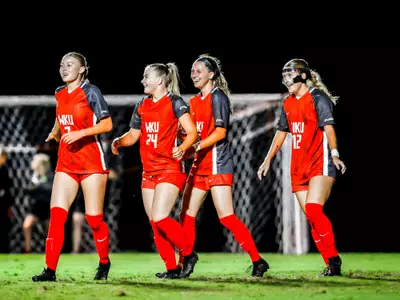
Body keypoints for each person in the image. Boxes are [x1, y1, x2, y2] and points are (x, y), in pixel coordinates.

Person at [178, 54, 269, 277]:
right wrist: (182, 144)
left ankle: (258, 261)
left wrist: (196, 145)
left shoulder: (218, 97)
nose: (194, 74)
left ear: (211, 74)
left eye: (199, 70)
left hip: (217, 164)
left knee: (226, 216)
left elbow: (220, 132)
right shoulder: (193, 102)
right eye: (192, 70)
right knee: (186, 215)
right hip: (199, 165)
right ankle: (185, 261)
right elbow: (191, 135)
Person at [257, 58, 346, 276]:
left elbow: (329, 129)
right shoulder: (288, 102)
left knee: (315, 210)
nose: (286, 80)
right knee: (312, 218)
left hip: (320, 162)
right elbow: (280, 133)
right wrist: (268, 158)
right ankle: (330, 265)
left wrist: (334, 154)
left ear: (303, 75)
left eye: (290, 75)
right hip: (298, 167)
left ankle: (334, 259)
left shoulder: (318, 98)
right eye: (284, 76)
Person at [111, 62, 199, 279]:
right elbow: (133, 135)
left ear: (159, 80)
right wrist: (119, 141)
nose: (143, 80)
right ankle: (171, 268)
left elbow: (192, 132)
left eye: (146, 76)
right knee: (155, 223)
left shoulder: (175, 102)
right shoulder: (142, 104)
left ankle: (188, 255)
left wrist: (183, 147)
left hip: (170, 168)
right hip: (149, 172)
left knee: (160, 217)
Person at [32, 51, 113, 282]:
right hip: (66, 162)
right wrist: (56, 131)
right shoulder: (59, 92)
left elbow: (107, 124)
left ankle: (104, 262)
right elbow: (61, 117)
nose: (64, 68)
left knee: (94, 219)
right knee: (57, 216)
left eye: (70, 65)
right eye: (61, 65)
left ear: (82, 69)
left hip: (92, 163)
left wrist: (80, 133)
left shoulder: (91, 91)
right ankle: (50, 270)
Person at [23, 153, 53, 254]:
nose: (32, 163)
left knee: (49, 229)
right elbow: (28, 190)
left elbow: (49, 190)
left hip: (47, 206)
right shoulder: (34, 176)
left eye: (34, 161)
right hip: (36, 207)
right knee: (27, 224)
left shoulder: (49, 176)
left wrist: (38, 186)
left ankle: (50, 250)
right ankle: (27, 249)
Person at [0, 146, 13, 253]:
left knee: (4, 227)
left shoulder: (4, 169)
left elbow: (7, 187)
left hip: (3, 205)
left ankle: (4, 249)